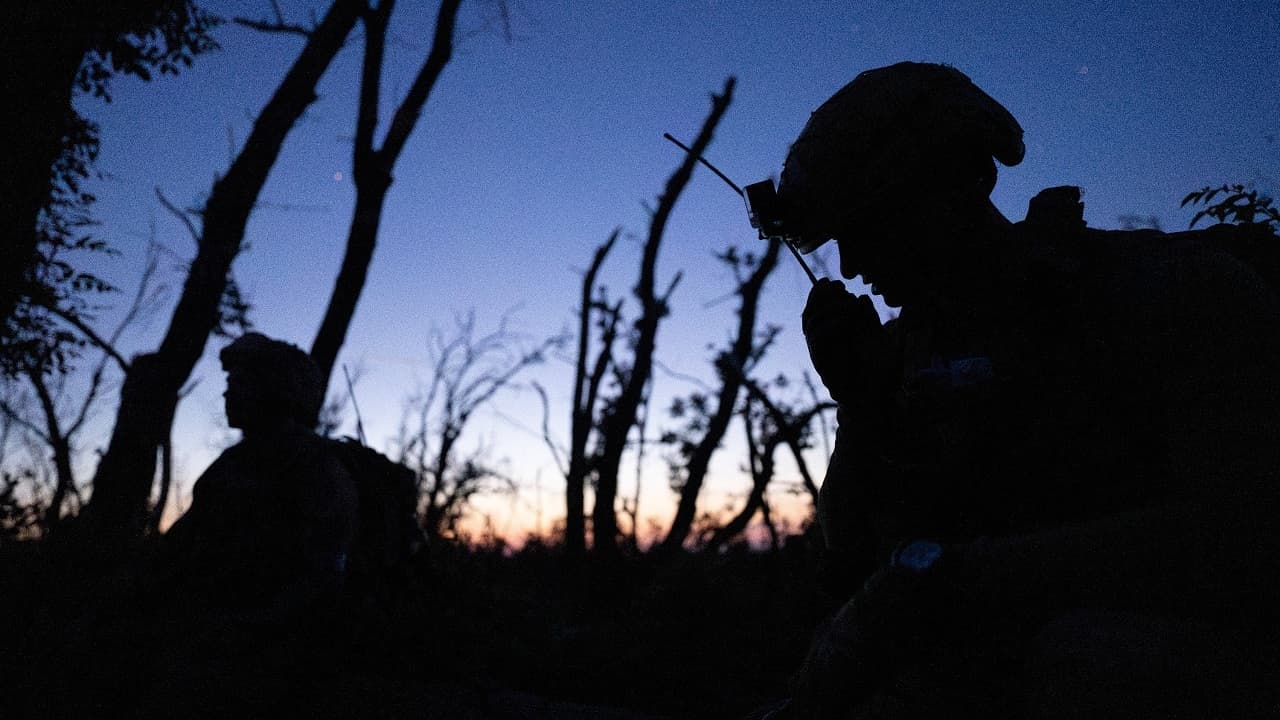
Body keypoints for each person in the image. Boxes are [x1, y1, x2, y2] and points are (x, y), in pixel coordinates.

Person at [775, 62, 1280, 718]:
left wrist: (954, 578)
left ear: (963, 182)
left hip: (1170, 668)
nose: (852, 265)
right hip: (974, 678)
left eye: (874, 224)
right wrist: (860, 409)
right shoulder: (900, 358)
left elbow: (1244, 534)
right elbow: (845, 572)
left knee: (1088, 657)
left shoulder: (1177, 293)